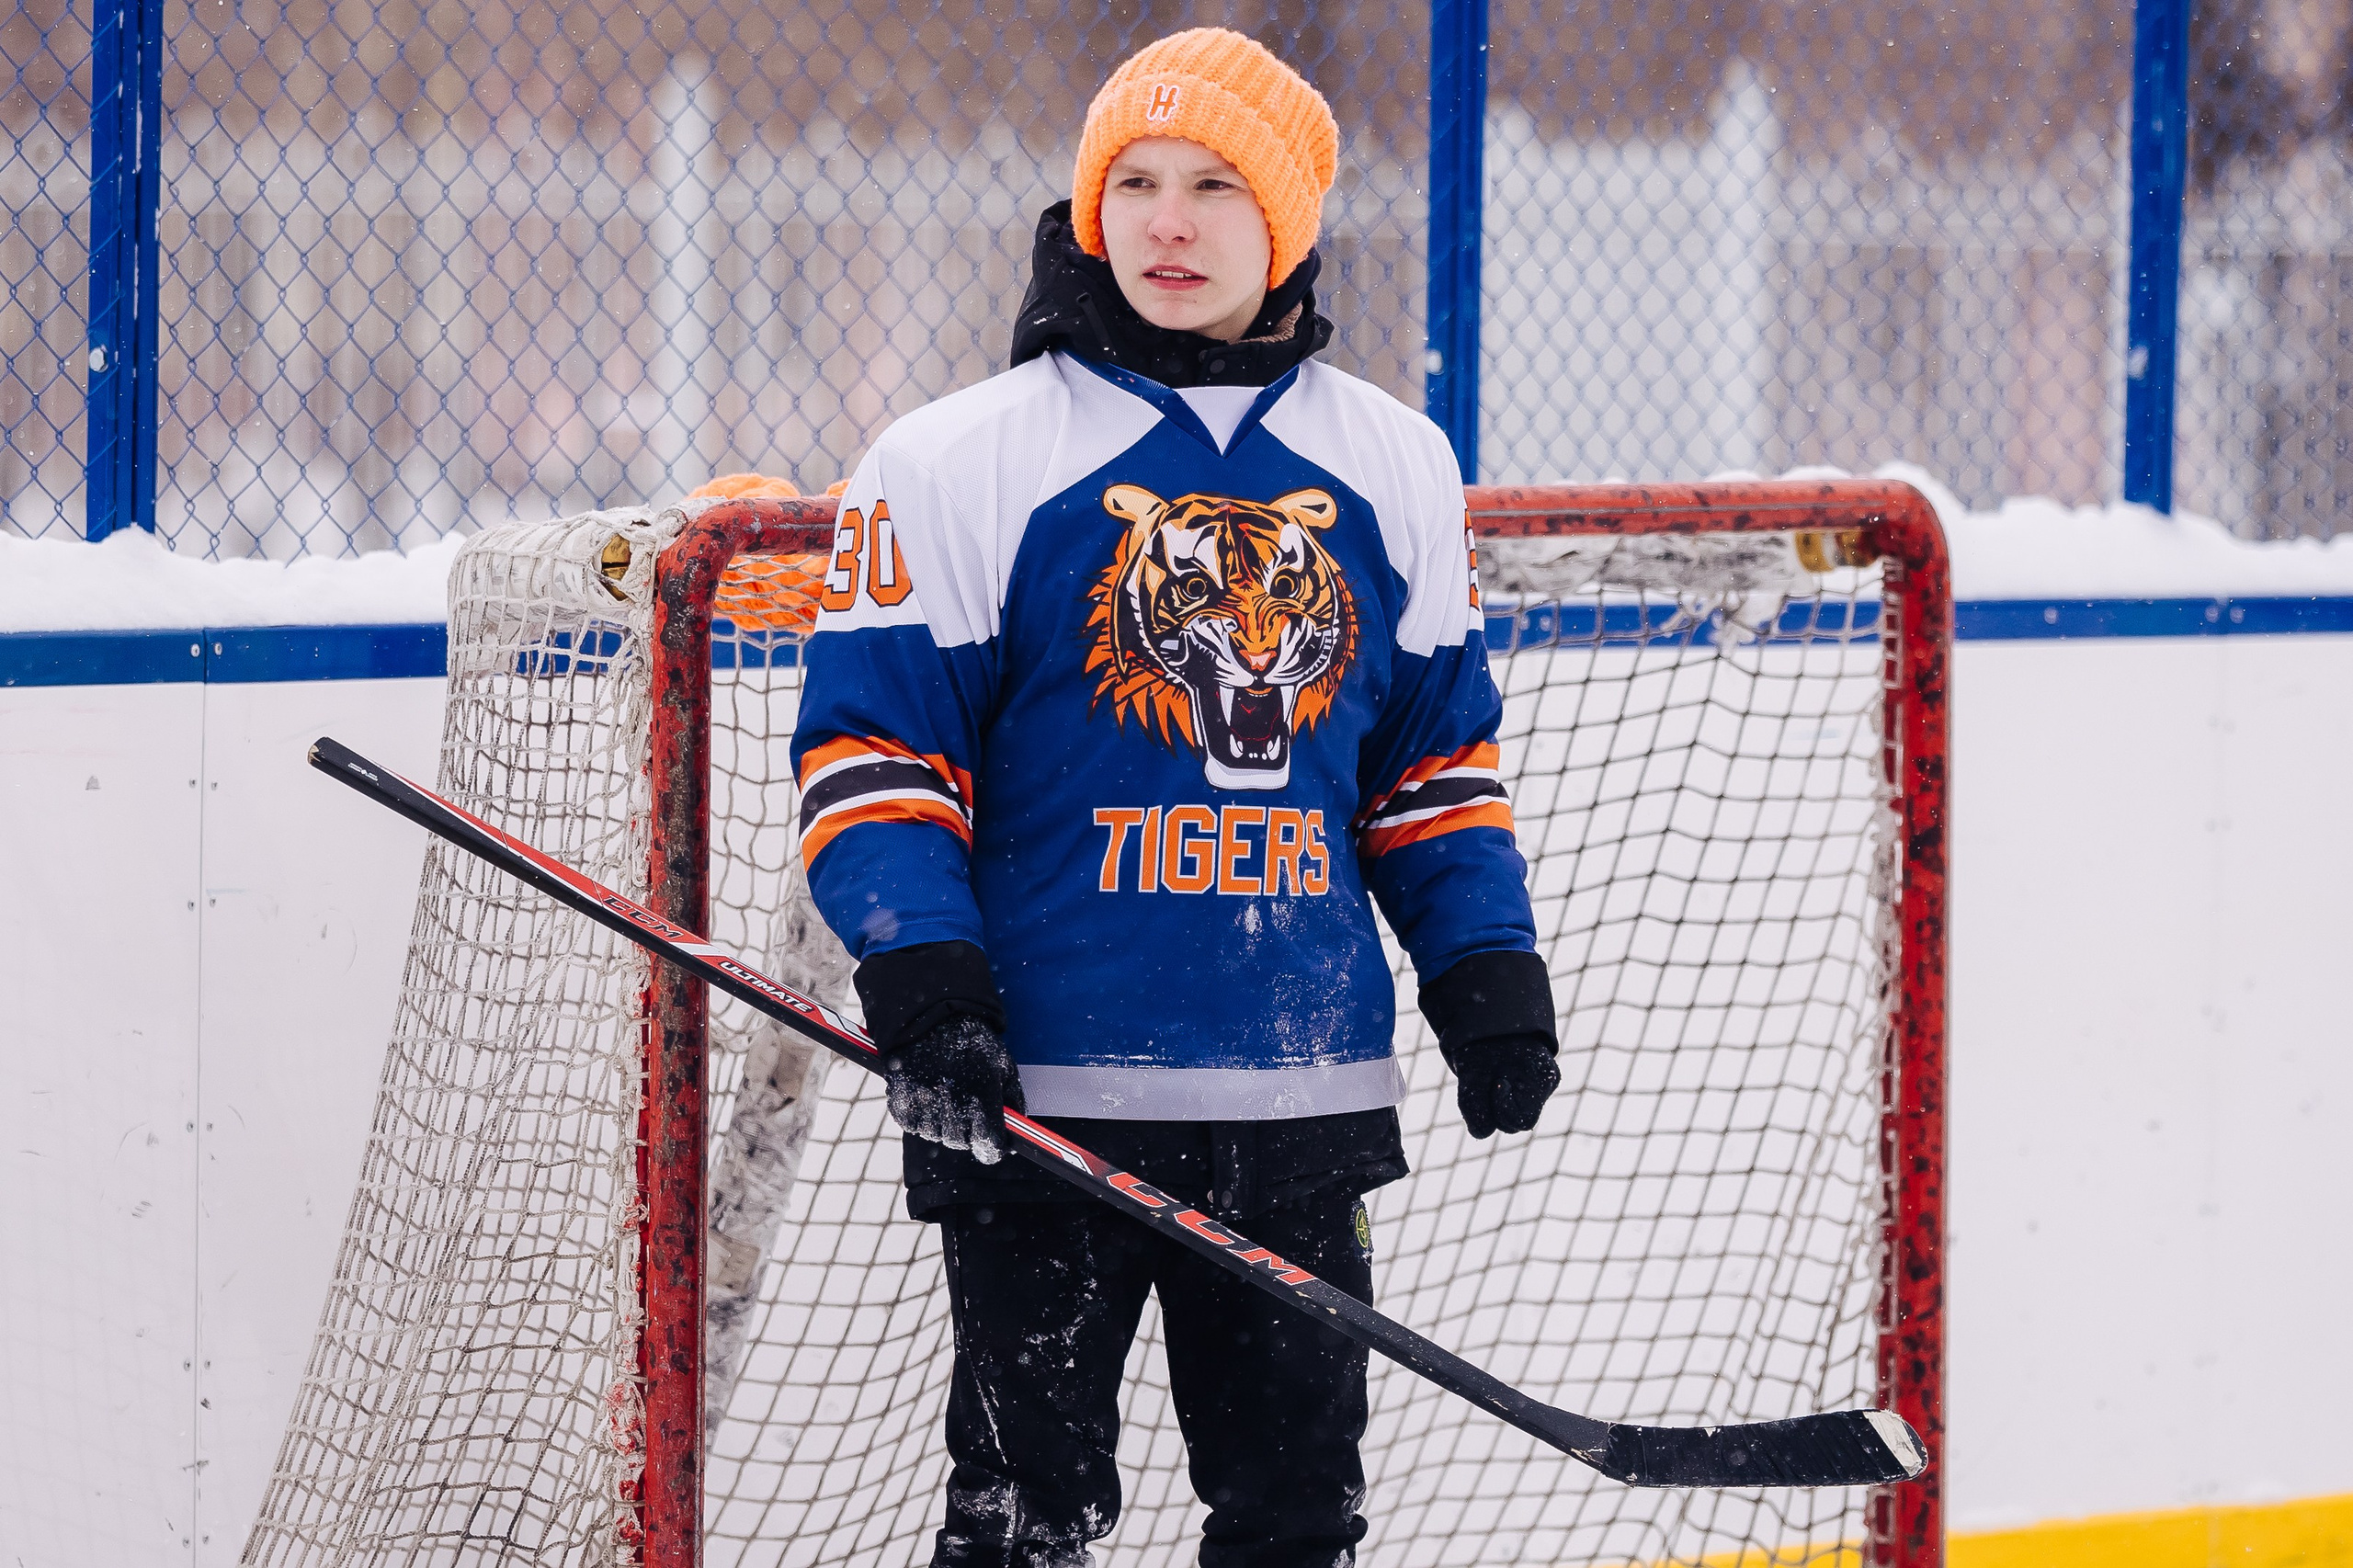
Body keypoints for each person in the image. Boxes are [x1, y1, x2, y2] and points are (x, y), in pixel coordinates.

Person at [790, 28, 1558, 1568]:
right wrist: (924, 977)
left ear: (1287, 219)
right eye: (1132, 182)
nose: (1169, 221)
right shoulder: (955, 461)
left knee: (1291, 1525)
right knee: (1024, 1528)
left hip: (1299, 1097)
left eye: (1215, 184)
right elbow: (873, 756)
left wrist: (1482, 963)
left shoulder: (1395, 464)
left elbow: (1427, 764)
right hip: (1041, 1102)